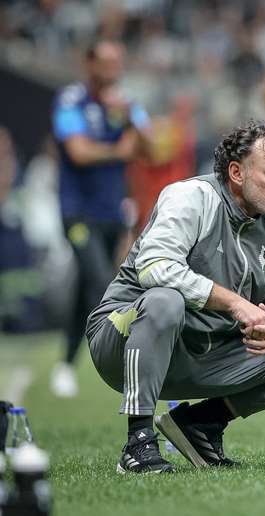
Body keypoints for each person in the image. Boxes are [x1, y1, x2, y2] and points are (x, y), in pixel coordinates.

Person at [85, 120, 265, 474]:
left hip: (205, 353)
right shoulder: (190, 197)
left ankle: (201, 423)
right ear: (236, 172)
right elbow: (155, 267)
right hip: (122, 341)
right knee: (164, 300)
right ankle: (137, 443)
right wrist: (236, 303)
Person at [50, 39, 153, 398]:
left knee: (85, 288)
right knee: (98, 280)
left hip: (114, 212)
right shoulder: (71, 100)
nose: (113, 70)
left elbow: (151, 148)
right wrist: (118, 149)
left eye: (117, 62)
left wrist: (129, 123)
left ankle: (65, 366)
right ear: (89, 64)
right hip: (77, 211)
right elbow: (77, 152)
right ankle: (125, 365)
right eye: (106, 63)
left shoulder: (126, 104)